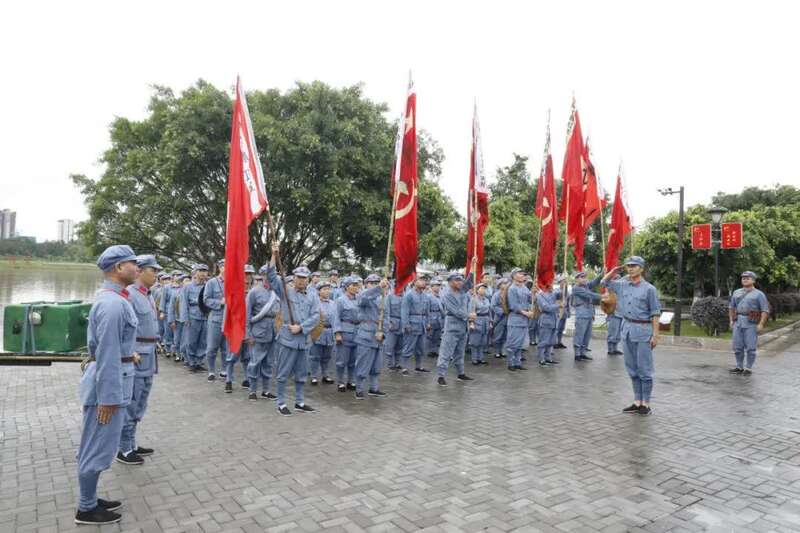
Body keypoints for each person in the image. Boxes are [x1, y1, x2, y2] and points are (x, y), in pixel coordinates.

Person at [75, 245, 139, 525]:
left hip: (112, 381)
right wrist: (108, 398)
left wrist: (130, 352)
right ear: (117, 268)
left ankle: (90, 499)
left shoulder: (114, 299)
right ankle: (86, 508)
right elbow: (108, 353)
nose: (137, 268)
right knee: (97, 447)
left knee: (98, 444)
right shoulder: (113, 304)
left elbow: (113, 346)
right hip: (108, 388)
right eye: (132, 263)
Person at [601, 256, 661, 415]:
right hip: (626, 328)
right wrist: (612, 272)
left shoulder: (649, 289)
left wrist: (655, 335)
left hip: (643, 330)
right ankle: (637, 401)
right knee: (632, 369)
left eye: (634, 266)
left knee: (645, 369)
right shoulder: (622, 285)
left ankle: (646, 404)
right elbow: (604, 284)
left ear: (641, 268)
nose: (631, 268)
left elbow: (655, 314)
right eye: (628, 266)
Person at [117, 255, 161, 466]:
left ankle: (132, 443)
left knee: (141, 401)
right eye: (153, 270)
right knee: (131, 402)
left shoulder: (148, 295)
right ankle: (124, 448)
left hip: (149, 355)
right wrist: (129, 352)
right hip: (136, 357)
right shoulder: (130, 295)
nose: (156, 274)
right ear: (141, 271)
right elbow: (125, 328)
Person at [266, 243, 320, 416]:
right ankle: (281, 402)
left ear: (308, 279)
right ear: (293, 277)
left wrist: (301, 327)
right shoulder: (285, 291)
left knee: (302, 373)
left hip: (303, 340)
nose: (301, 280)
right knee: (283, 372)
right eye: (298, 277)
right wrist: (274, 255)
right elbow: (272, 277)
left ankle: (299, 401)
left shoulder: (313, 295)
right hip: (287, 339)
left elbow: (316, 316)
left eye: (304, 277)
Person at [245, 267, 280, 400]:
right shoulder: (254, 292)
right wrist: (248, 334)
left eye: (273, 274)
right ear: (262, 276)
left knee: (269, 362)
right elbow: (247, 314)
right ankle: (252, 390)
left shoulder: (277, 292)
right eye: (267, 274)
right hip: (258, 331)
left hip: (273, 331)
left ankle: (266, 390)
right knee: (255, 362)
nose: (270, 277)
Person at [353, 274, 390, 399]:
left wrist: (383, 331)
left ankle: (374, 388)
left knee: (377, 365)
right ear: (366, 284)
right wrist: (378, 288)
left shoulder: (384, 298)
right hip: (366, 334)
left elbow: (386, 316)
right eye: (371, 283)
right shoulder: (363, 295)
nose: (374, 284)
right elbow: (364, 298)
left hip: (379, 336)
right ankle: (359, 389)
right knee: (363, 363)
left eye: (376, 282)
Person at [435, 272, 475, 386]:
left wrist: (472, 266)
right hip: (452, 326)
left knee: (460, 352)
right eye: (457, 280)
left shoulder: (462, 290)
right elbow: (455, 311)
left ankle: (461, 373)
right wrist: (469, 316)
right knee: (446, 352)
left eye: (460, 280)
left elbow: (469, 281)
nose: (460, 282)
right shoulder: (447, 294)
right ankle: (441, 375)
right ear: (450, 282)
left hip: (463, 327)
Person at [728, 271, 769, 375]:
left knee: (751, 347)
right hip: (738, 321)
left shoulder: (759, 294)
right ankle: (739, 366)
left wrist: (761, 324)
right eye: (743, 278)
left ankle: (748, 368)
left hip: (751, 322)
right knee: (737, 346)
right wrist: (731, 320)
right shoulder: (736, 292)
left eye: (748, 278)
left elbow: (765, 310)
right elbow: (731, 307)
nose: (745, 280)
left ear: (753, 280)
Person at [333, 276, 360, 392]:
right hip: (345, 331)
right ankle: (340, 382)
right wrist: (337, 333)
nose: (355, 287)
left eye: (356, 285)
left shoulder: (359, 299)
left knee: (353, 360)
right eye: (353, 285)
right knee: (342, 360)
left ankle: (351, 381)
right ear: (347, 287)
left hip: (357, 332)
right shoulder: (341, 300)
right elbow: (336, 317)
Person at [504, 268, 535, 371]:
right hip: (515, 319)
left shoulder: (525, 288)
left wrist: (533, 294)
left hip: (524, 320)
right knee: (513, 343)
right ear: (514, 276)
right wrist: (526, 313)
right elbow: (513, 305)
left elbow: (530, 300)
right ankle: (511, 363)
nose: (522, 275)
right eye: (520, 273)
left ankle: (517, 362)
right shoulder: (512, 288)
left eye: (523, 273)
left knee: (520, 343)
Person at [181, 264, 209, 372]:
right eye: (200, 270)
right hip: (193, 316)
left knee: (203, 341)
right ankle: (191, 362)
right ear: (195, 272)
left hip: (206, 316)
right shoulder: (188, 287)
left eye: (205, 271)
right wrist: (185, 318)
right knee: (191, 341)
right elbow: (183, 303)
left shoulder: (208, 285)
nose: (203, 273)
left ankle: (198, 361)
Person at [401, 274, 431, 373]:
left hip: (422, 324)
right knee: (408, 346)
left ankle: (419, 366)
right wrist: (406, 324)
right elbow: (404, 311)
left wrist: (428, 323)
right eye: (421, 280)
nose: (423, 282)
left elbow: (427, 312)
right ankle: (404, 367)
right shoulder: (409, 295)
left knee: (421, 347)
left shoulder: (425, 295)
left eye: (424, 280)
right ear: (414, 282)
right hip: (412, 323)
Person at [309, 281, 337, 385]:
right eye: (324, 289)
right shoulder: (315, 302)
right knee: (315, 355)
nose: (327, 291)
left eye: (328, 289)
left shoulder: (333, 303)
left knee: (327, 356)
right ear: (319, 291)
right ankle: (314, 376)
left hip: (329, 332)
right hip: (318, 331)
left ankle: (325, 375)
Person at [204, 259, 227, 381]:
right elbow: (206, 300)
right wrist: (220, 302)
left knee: (226, 347)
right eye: (224, 266)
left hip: (228, 319)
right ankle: (211, 371)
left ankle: (224, 370)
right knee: (212, 347)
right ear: (219, 267)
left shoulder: (233, 282)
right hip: (216, 319)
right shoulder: (212, 283)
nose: (226, 268)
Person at [572, 271, 602, 361]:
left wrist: (601, 274)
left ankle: (583, 353)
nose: (584, 279)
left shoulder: (586, 286)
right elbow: (589, 295)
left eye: (585, 277)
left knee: (587, 335)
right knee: (579, 334)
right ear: (577, 279)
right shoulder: (576, 288)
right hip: (581, 313)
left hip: (588, 313)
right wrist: (603, 296)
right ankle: (577, 354)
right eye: (582, 277)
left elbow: (594, 282)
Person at [535, 279, 561, 367]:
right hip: (545, 319)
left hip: (554, 320)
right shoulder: (539, 295)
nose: (552, 285)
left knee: (551, 341)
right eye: (550, 284)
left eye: (552, 283)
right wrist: (558, 305)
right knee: (544, 341)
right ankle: (541, 359)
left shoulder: (553, 293)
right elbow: (546, 307)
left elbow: (563, 294)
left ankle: (548, 358)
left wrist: (564, 285)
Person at [468, 283, 492, 365]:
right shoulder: (473, 299)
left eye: (484, 288)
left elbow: (489, 311)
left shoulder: (487, 299)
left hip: (485, 320)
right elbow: (470, 311)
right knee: (475, 341)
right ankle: (474, 359)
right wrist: (471, 322)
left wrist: (490, 322)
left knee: (483, 341)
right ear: (477, 290)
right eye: (481, 288)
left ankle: (481, 358)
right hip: (477, 320)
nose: (483, 290)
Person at [383, 287, 405, 371]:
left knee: (400, 346)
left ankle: (397, 363)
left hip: (402, 323)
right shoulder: (390, 296)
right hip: (393, 323)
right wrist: (388, 323)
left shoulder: (405, 297)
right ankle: (390, 364)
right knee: (390, 345)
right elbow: (386, 311)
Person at [426, 279, 444, 358]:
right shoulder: (428, 296)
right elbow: (427, 310)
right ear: (432, 287)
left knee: (437, 336)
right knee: (430, 335)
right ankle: (429, 350)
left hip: (439, 317)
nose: (437, 287)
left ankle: (435, 350)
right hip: (432, 316)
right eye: (436, 286)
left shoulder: (440, 297)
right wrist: (428, 322)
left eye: (438, 286)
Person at [491, 279, 509, 358]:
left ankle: (503, 350)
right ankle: (497, 351)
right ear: (500, 285)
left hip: (507, 317)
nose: (505, 285)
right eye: (503, 283)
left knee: (505, 336)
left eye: (506, 283)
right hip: (499, 317)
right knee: (498, 335)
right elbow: (493, 306)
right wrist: (502, 311)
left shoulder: (508, 294)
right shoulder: (496, 294)